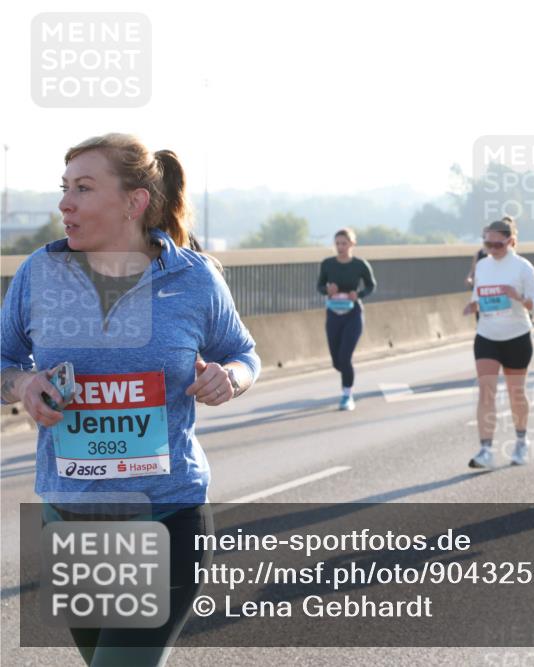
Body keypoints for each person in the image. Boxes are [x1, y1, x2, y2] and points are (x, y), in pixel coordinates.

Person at [0, 133, 260, 665]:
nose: (64, 203)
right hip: (69, 519)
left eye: (84, 188)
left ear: (134, 202)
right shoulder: (38, 274)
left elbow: (242, 352)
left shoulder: (193, 279)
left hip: (163, 515)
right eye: (64, 188)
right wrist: (24, 384)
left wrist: (230, 378)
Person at [463, 218, 534, 468]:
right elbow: (479, 294)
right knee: (486, 391)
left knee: (515, 393)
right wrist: (474, 304)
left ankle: (521, 441)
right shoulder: (483, 266)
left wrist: (518, 297)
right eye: (487, 244)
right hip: (487, 335)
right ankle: (486, 450)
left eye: (496, 244)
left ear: (509, 241)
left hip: (517, 336)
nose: (491, 249)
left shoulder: (523, 268)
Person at [316, 228, 377, 411]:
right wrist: (328, 290)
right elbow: (319, 285)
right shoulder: (327, 264)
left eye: (344, 243)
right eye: (337, 243)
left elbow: (371, 285)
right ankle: (348, 375)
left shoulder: (360, 265)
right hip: (334, 314)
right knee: (337, 361)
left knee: (345, 357)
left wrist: (358, 294)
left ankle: (347, 396)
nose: (340, 247)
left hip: (353, 314)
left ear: (352, 244)